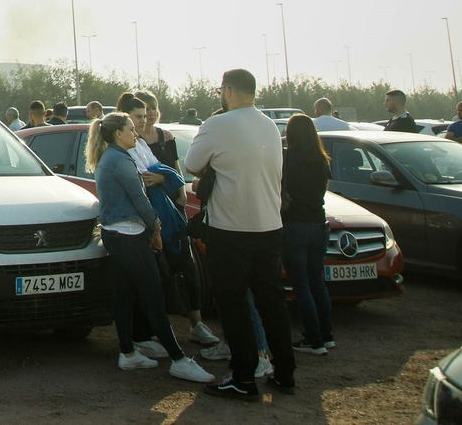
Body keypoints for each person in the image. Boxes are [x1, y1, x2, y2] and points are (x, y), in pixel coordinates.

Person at [183, 69, 297, 399]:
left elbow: (191, 163)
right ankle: (285, 372)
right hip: (269, 226)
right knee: (271, 302)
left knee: (232, 304)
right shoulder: (269, 125)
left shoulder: (218, 124)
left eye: (221, 89)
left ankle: (243, 377)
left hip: (230, 229)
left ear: (228, 90)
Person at [89, 113, 215, 383]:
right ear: (118, 134)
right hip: (129, 236)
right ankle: (179, 359)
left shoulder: (110, 158)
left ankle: (128, 352)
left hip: (118, 235)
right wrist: (155, 229)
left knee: (124, 295)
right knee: (153, 296)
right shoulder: (120, 160)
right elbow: (140, 200)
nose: (136, 134)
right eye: (131, 129)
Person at [135, 90, 220, 348]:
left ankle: (197, 324)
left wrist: (181, 193)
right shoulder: (133, 140)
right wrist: (163, 179)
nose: (149, 113)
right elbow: (147, 178)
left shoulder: (166, 136)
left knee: (187, 268)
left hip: (175, 208)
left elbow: (176, 168)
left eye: (152, 108)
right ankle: (161, 330)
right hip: (150, 213)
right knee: (159, 273)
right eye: (144, 109)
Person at [282, 114, 333, 355]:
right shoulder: (322, 160)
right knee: (317, 283)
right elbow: (322, 192)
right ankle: (326, 334)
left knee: (300, 284)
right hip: (319, 224)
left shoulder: (288, 157)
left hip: (295, 225)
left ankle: (313, 339)